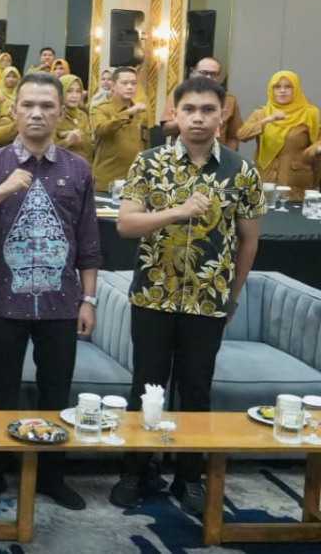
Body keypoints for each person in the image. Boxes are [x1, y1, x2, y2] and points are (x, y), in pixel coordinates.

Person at [109, 76, 265, 517]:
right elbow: (125, 224)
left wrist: (232, 296)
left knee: (196, 388)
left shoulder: (242, 171)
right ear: (174, 114)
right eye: (190, 109)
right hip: (152, 297)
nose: (198, 118)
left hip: (208, 300)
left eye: (208, 110)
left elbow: (249, 241)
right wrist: (176, 212)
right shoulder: (149, 162)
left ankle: (189, 475)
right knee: (147, 385)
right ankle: (136, 471)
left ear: (222, 116)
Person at [0, 72, 101, 511]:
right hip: (4, 302)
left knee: (56, 394)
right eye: (29, 105)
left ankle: (52, 476)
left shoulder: (78, 169)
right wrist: (3, 189)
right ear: (14, 111)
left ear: (61, 113)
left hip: (62, 304)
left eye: (47, 106)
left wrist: (89, 299)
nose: (37, 113)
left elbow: (89, 242)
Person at [235, 71, 320, 201]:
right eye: (277, 87)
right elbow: (242, 135)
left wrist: (314, 150)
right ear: (271, 89)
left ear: (296, 89)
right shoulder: (262, 113)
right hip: (266, 179)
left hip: (295, 182)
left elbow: (318, 140)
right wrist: (268, 120)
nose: (282, 91)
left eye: (288, 87)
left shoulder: (309, 113)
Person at [91, 66, 153, 192]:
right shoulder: (100, 109)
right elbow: (100, 130)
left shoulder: (141, 112)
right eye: (124, 83)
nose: (130, 87)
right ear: (113, 86)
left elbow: (146, 145)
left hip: (135, 181)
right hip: (108, 181)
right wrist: (128, 113)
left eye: (134, 83)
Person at [160, 58, 242, 151]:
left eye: (214, 74)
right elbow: (166, 130)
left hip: (217, 154)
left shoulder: (230, 100)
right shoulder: (179, 95)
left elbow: (233, 137)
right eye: (204, 73)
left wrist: (228, 157)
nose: (208, 77)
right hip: (182, 152)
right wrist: (188, 120)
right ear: (193, 73)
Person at [57, 74, 93, 163]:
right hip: (64, 168)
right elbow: (45, 151)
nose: (75, 96)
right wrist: (67, 141)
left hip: (85, 167)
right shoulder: (54, 117)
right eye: (69, 91)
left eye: (78, 91)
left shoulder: (83, 116)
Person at [0, 66, 22, 144]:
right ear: (3, 78)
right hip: (1, 129)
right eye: (8, 76)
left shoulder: (22, 93)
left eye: (14, 77)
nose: (11, 79)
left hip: (19, 130)